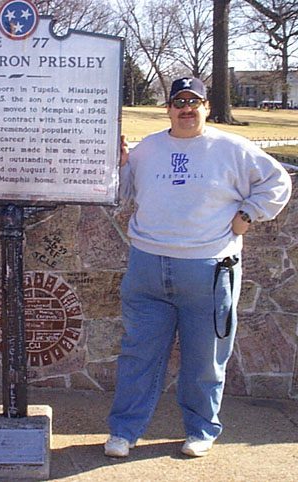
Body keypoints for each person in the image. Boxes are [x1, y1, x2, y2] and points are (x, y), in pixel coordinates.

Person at [104, 77, 292, 458]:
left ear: (206, 107)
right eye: (179, 102)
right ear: (168, 109)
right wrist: (119, 164)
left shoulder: (233, 148)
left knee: (205, 360)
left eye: (194, 102)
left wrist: (247, 215)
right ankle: (123, 432)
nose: (186, 108)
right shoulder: (147, 149)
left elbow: (277, 181)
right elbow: (123, 193)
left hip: (208, 269)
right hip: (147, 267)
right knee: (138, 355)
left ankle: (201, 430)